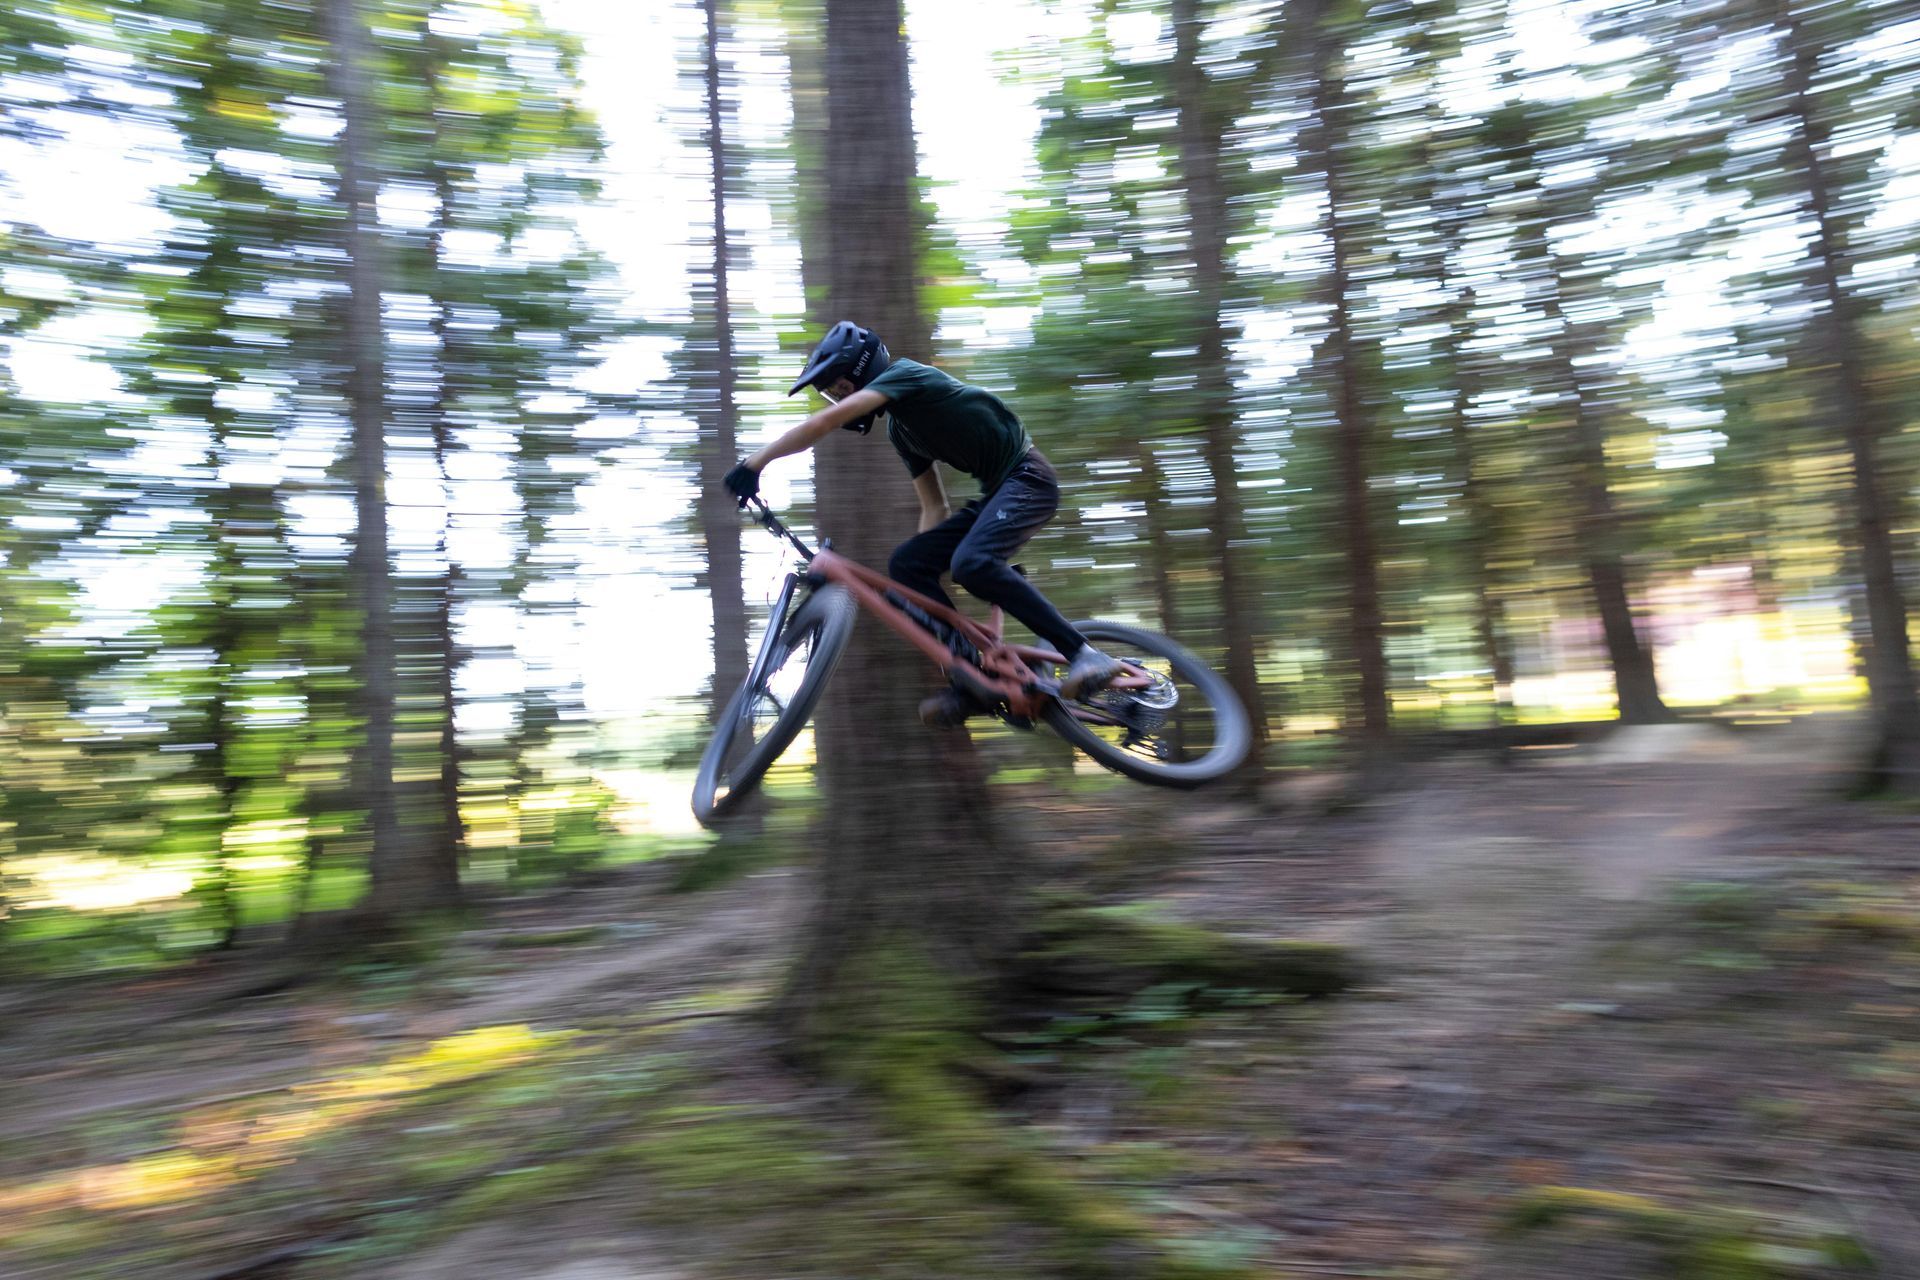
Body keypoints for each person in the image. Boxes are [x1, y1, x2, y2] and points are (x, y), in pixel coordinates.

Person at [722, 320, 1120, 727]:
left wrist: (756, 462)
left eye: (838, 387)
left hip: (1028, 478)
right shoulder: (902, 431)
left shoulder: (906, 375)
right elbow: (934, 505)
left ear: (861, 369)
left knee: (972, 563)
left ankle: (1084, 653)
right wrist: (917, 585)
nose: (836, 399)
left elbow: (821, 424)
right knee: (906, 566)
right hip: (997, 493)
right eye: (830, 393)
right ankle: (972, 678)